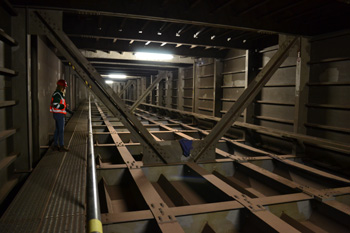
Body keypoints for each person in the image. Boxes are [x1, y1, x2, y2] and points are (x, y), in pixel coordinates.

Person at [50, 79, 70, 152]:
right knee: (61, 130)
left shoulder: (57, 93)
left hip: (57, 114)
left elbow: (58, 104)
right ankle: (61, 146)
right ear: (61, 87)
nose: (64, 88)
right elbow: (55, 104)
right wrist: (63, 107)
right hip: (59, 114)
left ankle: (55, 145)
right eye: (64, 87)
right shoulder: (58, 94)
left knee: (57, 130)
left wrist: (64, 105)